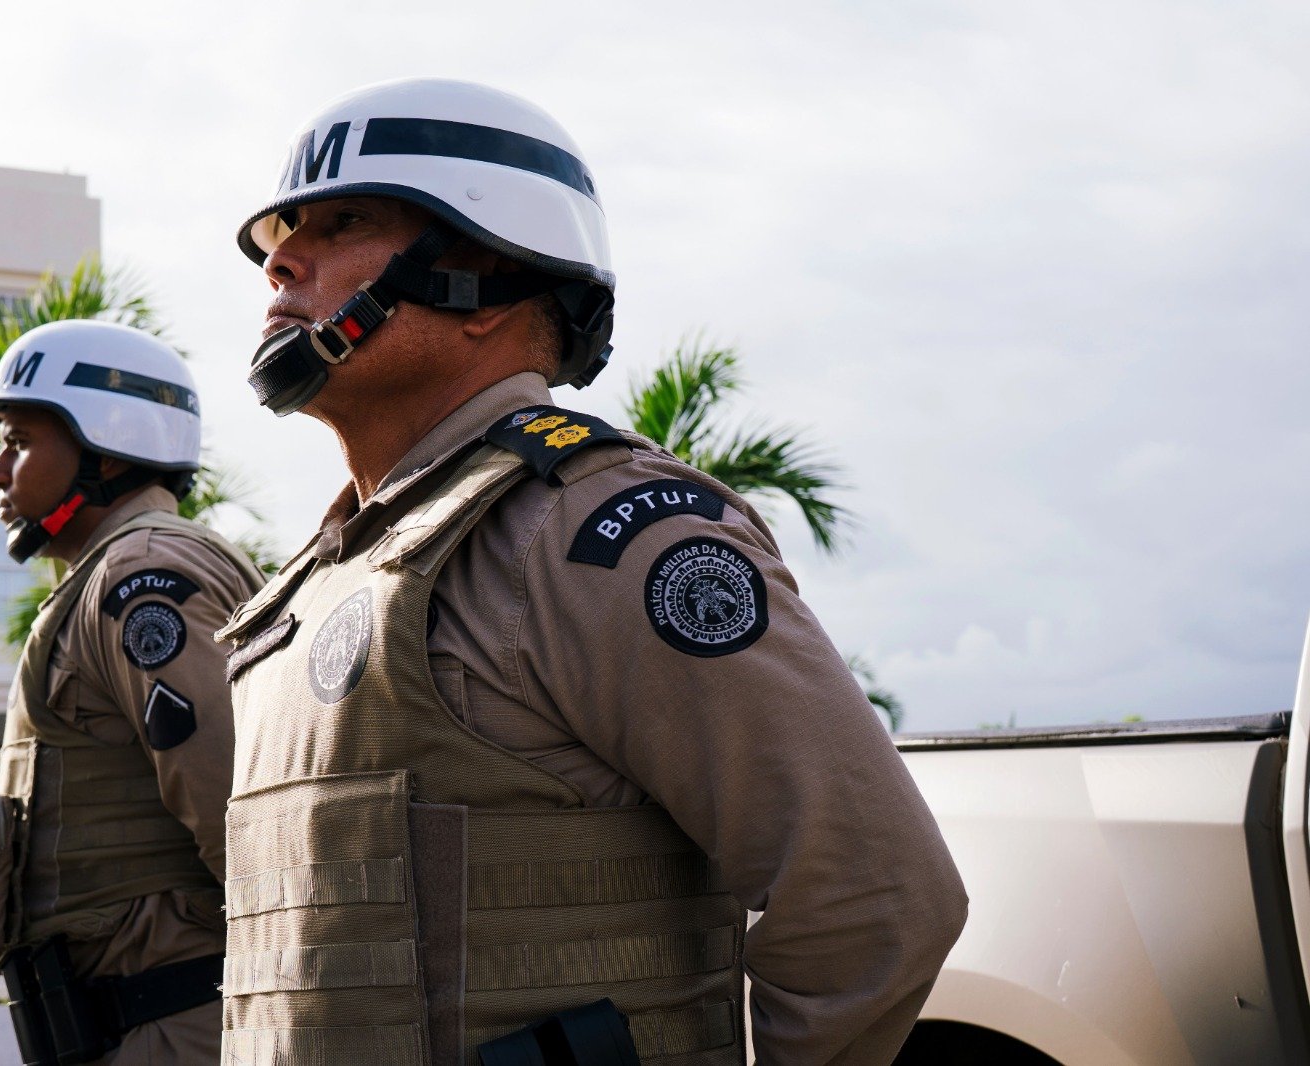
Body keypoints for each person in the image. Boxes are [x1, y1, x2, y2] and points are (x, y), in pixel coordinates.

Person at [217, 78, 968, 1065]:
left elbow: (874, 898)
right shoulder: (309, 589)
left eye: (343, 220)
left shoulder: (589, 531)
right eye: (281, 230)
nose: (280, 256)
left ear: (479, 272)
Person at [0, 320, 264, 1064]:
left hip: (169, 1024)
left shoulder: (141, 576)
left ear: (108, 447)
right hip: (132, 1026)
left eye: (18, 443)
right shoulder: (110, 574)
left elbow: (243, 820)